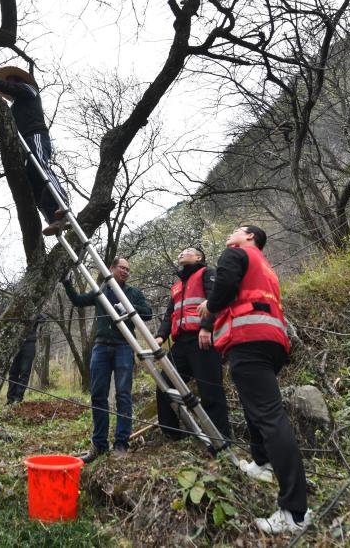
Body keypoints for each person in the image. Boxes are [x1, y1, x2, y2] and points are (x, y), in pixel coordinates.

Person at [198, 225, 312, 534]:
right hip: (271, 341)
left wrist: (208, 308)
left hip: (248, 340)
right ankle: (262, 463)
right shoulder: (265, 266)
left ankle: (295, 512)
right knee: (257, 410)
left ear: (250, 236)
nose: (230, 234)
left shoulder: (236, 253)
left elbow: (223, 289)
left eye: (236, 230)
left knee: (270, 417)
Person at [63, 257, 152, 462]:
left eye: (128, 269)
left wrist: (129, 309)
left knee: (123, 396)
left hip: (123, 346)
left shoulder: (133, 293)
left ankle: (121, 444)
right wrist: (67, 283)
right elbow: (78, 300)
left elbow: (147, 313)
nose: (125, 271)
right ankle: (99, 446)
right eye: (122, 267)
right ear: (111, 268)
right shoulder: (100, 291)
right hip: (101, 346)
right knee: (98, 395)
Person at [0, 57, 68, 236]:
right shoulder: (14, 107)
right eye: (7, 81)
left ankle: (62, 204)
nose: (9, 84)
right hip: (23, 145)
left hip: (36, 136)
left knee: (40, 166)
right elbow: (5, 119)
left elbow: (12, 89)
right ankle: (54, 219)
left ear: (20, 82)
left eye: (12, 81)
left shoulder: (29, 90)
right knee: (34, 182)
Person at [153, 246, 232, 444]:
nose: (181, 253)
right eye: (180, 251)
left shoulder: (208, 273)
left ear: (199, 257)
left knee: (210, 391)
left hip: (202, 340)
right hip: (180, 344)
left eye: (187, 251)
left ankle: (221, 441)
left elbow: (216, 299)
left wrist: (206, 327)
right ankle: (172, 435)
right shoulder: (177, 286)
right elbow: (169, 315)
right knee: (164, 386)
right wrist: (161, 336)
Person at [6, 315, 44, 405]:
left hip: (29, 344)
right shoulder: (18, 310)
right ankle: (10, 399)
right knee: (13, 372)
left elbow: (43, 319)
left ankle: (18, 398)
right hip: (16, 344)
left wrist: (36, 320)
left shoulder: (34, 311)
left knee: (25, 372)